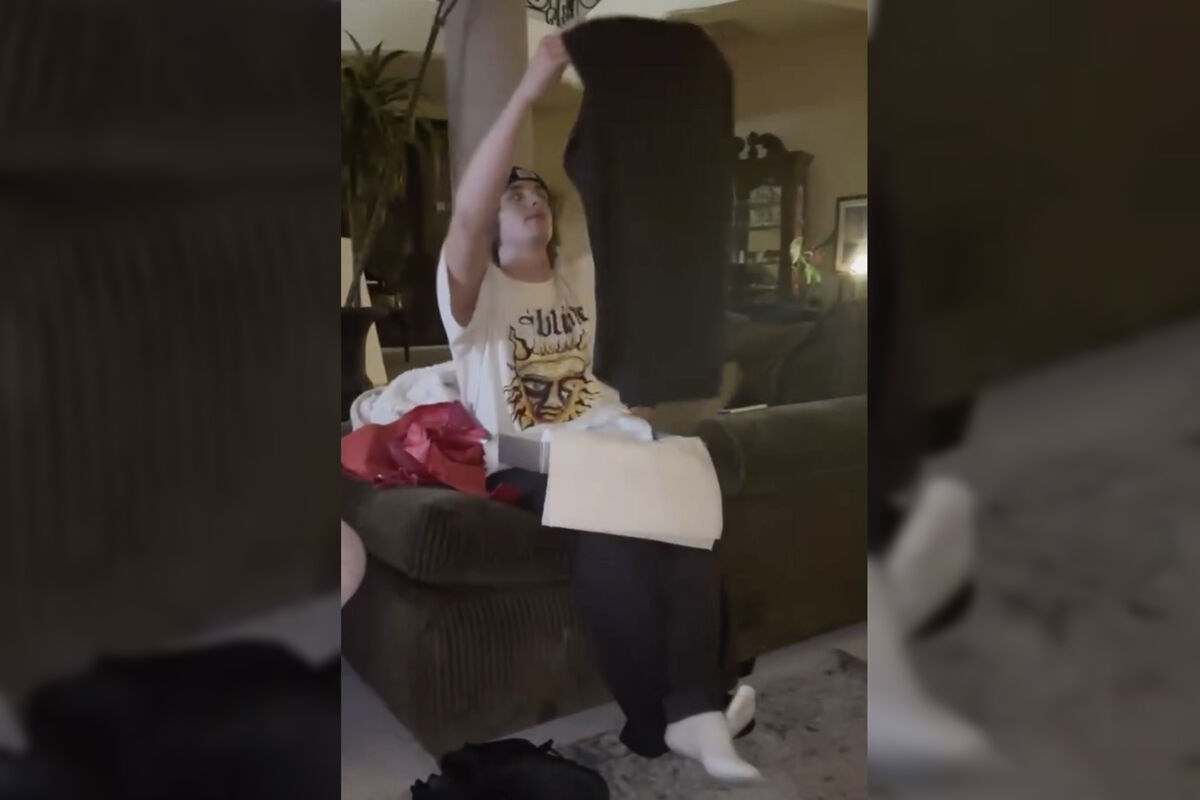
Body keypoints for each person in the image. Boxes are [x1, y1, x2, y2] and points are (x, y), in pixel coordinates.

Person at [436, 32, 759, 784]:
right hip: (528, 455)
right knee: (613, 521)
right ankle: (661, 720)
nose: (529, 200)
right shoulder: (475, 301)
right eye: (512, 196)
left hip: (612, 439)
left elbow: (643, 251)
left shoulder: (582, 278)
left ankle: (697, 710)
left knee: (684, 503)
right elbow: (466, 219)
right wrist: (531, 88)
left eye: (535, 194)